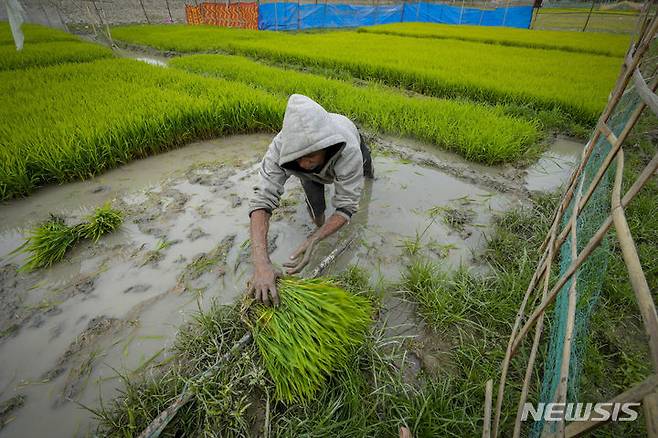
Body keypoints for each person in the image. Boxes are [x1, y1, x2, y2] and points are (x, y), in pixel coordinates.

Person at [247, 94, 374, 306]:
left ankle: (368, 176)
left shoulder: (349, 149)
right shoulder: (281, 148)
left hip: (349, 136)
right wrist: (261, 263)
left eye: (311, 155)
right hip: (312, 171)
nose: (304, 163)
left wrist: (315, 239)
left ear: (325, 148)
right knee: (316, 209)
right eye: (299, 157)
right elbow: (261, 200)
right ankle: (319, 223)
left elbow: (347, 206)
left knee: (368, 175)